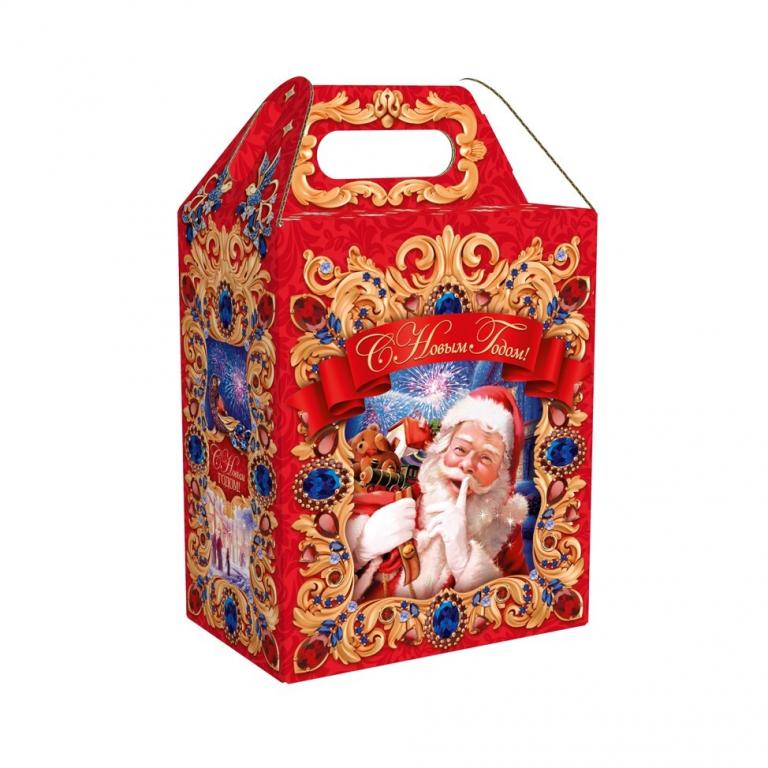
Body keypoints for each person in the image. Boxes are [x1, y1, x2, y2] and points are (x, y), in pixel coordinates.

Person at [347, 386, 529, 600]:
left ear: (501, 474)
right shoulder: (394, 496)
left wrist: (465, 563)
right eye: (460, 449)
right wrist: (360, 551)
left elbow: (522, 608)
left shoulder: (503, 534)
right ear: (442, 450)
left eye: (486, 458)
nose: (467, 464)